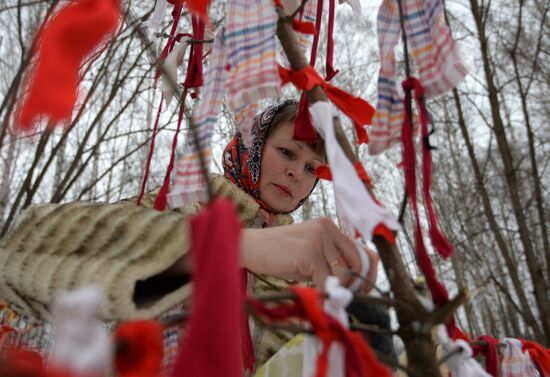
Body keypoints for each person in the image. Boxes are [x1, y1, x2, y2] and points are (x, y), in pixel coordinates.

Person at [0, 99, 381, 371]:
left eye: (314, 169)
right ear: (253, 146)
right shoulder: (183, 201)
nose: (298, 174)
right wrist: (231, 248)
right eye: (287, 152)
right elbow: (25, 253)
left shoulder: (305, 272)